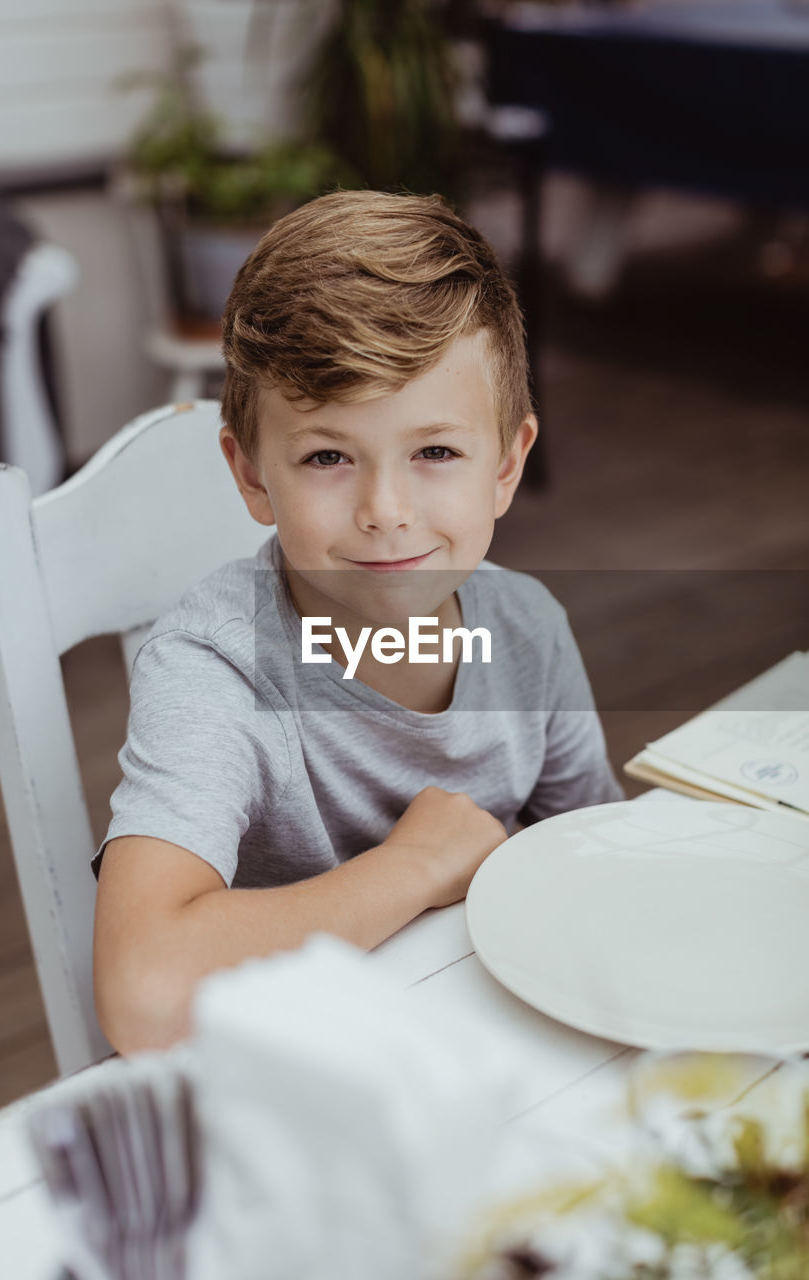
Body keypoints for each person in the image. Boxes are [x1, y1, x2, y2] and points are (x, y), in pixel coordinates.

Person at [93, 190, 622, 1054]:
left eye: (436, 452)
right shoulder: (211, 667)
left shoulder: (525, 626)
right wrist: (413, 867)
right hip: (288, 1089)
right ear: (254, 475)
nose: (385, 510)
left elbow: (594, 868)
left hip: (483, 1056)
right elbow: (145, 996)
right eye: (327, 456)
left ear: (507, 464)